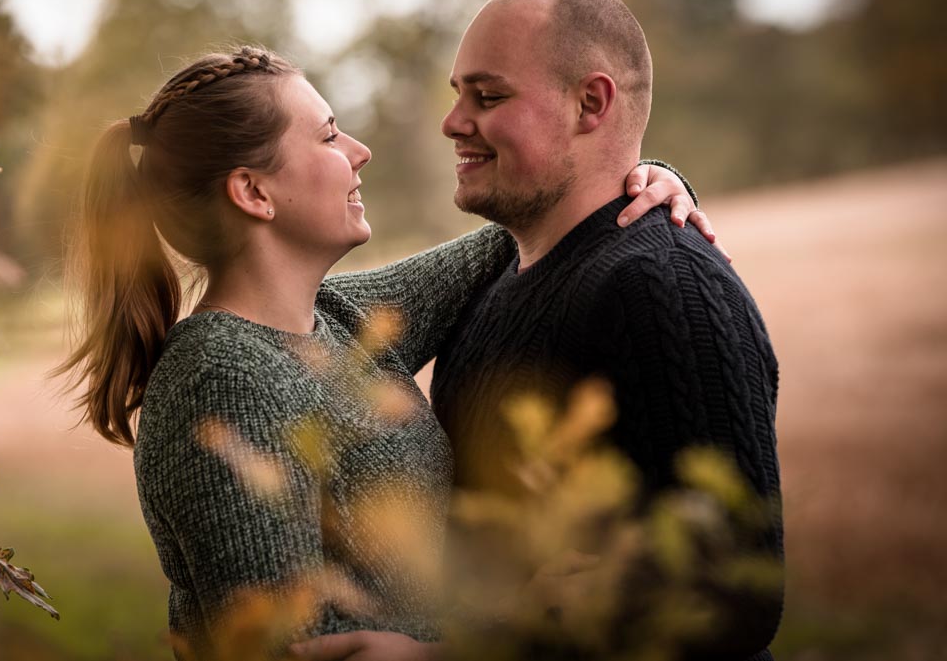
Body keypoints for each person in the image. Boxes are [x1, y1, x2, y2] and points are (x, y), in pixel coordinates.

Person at [57, 46, 713, 661]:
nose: (360, 150)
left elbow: (525, 227)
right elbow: (292, 646)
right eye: (328, 136)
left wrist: (646, 179)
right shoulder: (222, 380)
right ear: (253, 192)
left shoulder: (333, 320)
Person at [294, 0, 783, 661]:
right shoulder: (499, 275)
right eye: (458, 94)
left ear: (591, 103)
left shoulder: (663, 287)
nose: (452, 122)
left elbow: (732, 593)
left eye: (488, 97)